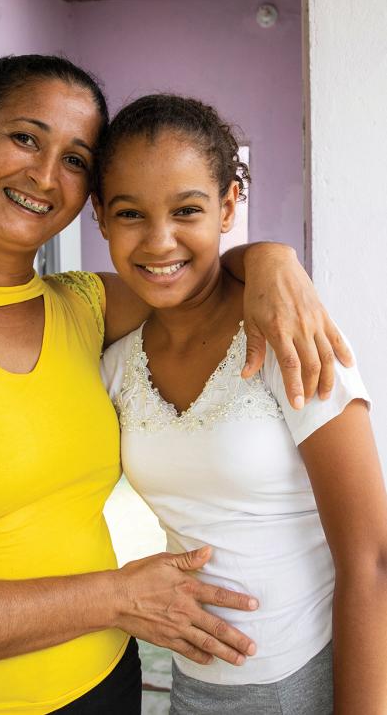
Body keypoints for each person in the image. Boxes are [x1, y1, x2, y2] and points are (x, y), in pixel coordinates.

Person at [0, 56, 352, 715]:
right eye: (26, 138)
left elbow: (184, 269)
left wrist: (270, 260)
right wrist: (117, 597)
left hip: (103, 689)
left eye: (74, 158)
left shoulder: (84, 306)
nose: (43, 174)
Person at [97, 94, 387, 715]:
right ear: (98, 215)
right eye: (129, 213)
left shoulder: (291, 335)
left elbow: (373, 560)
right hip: (193, 684)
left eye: (187, 210)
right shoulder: (116, 362)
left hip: (313, 675)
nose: (159, 240)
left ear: (229, 206)